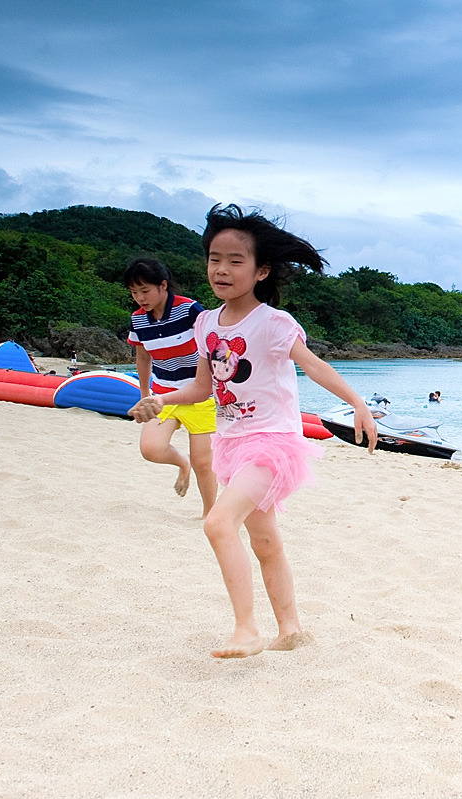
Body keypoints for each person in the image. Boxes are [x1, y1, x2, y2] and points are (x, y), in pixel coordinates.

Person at [131, 204, 377, 659]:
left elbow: (314, 366)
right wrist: (162, 399)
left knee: (218, 522)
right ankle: (291, 629)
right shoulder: (205, 324)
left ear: (262, 271)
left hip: (274, 445)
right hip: (232, 445)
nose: (221, 270)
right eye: (214, 259)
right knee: (264, 540)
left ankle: (246, 629)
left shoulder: (273, 323)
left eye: (235, 261)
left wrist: (358, 404)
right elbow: (204, 388)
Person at [124, 257, 218, 517]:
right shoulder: (138, 320)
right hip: (163, 393)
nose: (140, 297)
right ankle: (181, 463)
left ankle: (209, 515)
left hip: (199, 395)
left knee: (204, 462)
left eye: (145, 291)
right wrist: (145, 395)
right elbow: (143, 356)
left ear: (163, 286)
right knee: (151, 449)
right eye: (134, 292)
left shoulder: (189, 310)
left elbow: (214, 346)